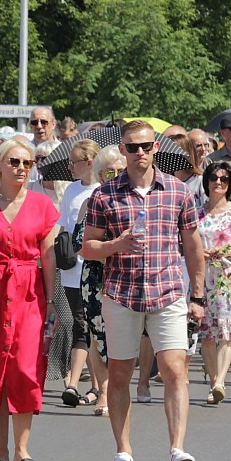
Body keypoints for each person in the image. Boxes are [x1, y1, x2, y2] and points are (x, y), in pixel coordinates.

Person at [82, 120, 205, 461]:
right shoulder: (104, 194)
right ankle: (124, 451)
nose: (140, 153)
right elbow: (87, 248)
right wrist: (115, 245)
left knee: (175, 369)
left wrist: (197, 294)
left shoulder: (177, 191)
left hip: (166, 290)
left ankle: (177, 449)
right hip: (121, 293)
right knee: (120, 373)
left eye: (146, 146)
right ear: (122, 150)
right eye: (133, 147)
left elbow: (194, 247)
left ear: (156, 149)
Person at [0, 138, 59, 461]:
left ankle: (23, 450)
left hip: (28, 292)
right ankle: (0, 451)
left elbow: (50, 256)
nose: (21, 168)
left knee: (25, 367)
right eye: (14, 162)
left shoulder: (42, 205)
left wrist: (52, 301)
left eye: (26, 163)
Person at [74, 146, 126, 417]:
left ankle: (120, 388)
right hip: (94, 277)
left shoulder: (131, 200)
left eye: (119, 170)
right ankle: (103, 391)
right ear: (99, 173)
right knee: (96, 336)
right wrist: (105, 247)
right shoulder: (91, 200)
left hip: (124, 276)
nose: (114, 176)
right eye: (109, 171)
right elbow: (77, 243)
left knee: (120, 335)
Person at [197, 162, 231, 404]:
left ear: (230, 183)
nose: (218, 182)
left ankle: (220, 381)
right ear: (206, 181)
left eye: (224, 179)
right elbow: (187, 245)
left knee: (228, 332)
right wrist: (201, 252)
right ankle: (213, 383)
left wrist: (227, 250)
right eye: (213, 178)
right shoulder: (196, 212)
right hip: (202, 276)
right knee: (207, 334)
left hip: (228, 277)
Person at [57, 140, 104, 407]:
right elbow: (63, 227)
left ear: (88, 162)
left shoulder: (103, 190)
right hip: (71, 269)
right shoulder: (72, 190)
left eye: (73, 162)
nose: (69, 166)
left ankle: (78, 384)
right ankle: (90, 386)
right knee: (79, 324)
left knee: (89, 327)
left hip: (94, 269)